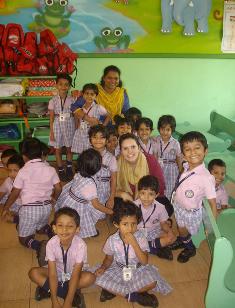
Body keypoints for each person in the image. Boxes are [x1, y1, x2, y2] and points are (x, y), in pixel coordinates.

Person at [95, 198, 172, 307]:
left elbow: (145, 261)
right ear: (117, 224)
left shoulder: (140, 237)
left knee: (152, 282)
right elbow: (108, 259)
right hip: (119, 269)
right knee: (97, 277)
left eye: (133, 224)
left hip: (138, 269)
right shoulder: (112, 240)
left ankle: (118, 291)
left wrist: (134, 243)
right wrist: (103, 267)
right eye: (125, 224)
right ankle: (136, 296)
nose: (130, 228)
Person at [1, 138, 62, 254]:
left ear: (24, 156)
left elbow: (15, 193)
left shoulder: (23, 171)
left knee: (23, 239)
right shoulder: (50, 169)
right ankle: (53, 235)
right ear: (41, 154)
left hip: (30, 209)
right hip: (46, 207)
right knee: (40, 228)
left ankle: (39, 246)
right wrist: (54, 199)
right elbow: (59, 188)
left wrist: (6, 208)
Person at [28, 207, 95, 307]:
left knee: (90, 278)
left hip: (73, 274)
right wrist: (54, 301)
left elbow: (76, 275)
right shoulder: (51, 244)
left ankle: (51, 290)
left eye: (70, 226)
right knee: (33, 273)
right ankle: (69, 293)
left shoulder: (81, 246)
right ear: (54, 228)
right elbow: (52, 274)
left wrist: (67, 302)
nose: (64, 230)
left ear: (77, 229)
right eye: (60, 225)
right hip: (57, 272)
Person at [171, 131, 217, 263]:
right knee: (180, 228)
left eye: (197, 148)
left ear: (205, 151)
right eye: (188, 149)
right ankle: (183, 241)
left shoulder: (206, 178)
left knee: (183, 230)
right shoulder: (186, 166)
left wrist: (211, 227)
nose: (193, 153)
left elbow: (213, 204)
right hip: (179, 207)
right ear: (184, 154)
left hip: (190, 213)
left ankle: (190, 248)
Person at [55, 148, 113, 238]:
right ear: (96, 167)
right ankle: (82, 232)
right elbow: (96, 205)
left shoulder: (80, 172)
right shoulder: (90, 185)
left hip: (70, 199)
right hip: (78, 205)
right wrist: (110, 212)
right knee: (81, 219)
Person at [135, 175, 177, 261]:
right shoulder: (133, 206)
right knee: (127, 238)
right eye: (143, 193)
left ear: (156, 195)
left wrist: (169, 231)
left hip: (154, 232)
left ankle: (147, 247)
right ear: (139, 193)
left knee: (172, 238)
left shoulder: (160, 207)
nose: (146, 198)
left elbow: (163, 224)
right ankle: (155, 249)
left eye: (151, 194)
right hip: (137, 233)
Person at [48, 73, 75, 182]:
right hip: (57, 125)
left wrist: (77, 127)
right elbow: (51, 118)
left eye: (66, 84)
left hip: (69, 124)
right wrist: (51, 132)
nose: (63, 87)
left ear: (69, 86)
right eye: (61, 84)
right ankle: (60, 169)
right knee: (57, 149)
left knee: (69, 148)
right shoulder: (53, 100)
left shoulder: (73, 99)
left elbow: (76, 114)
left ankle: (68, 167)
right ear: (56, 85)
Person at [71, 83, 111, 155]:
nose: (89, 96)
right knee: (81, 154)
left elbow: (108, 115)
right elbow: (76, 118)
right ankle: (82, 166)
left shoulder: (98, 107)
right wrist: (76, 127)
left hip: (92, 135)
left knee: (91, 154)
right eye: (87, 93)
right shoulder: (80, 108)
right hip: (80, 134)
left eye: (92, 94)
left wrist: (103, 126)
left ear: (96, 96)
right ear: (83, 94)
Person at [88, 125, 117, 209]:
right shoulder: (87, 154)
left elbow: (114, 179)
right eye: (95, 137)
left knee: (100, 213)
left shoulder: (111, 158)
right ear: (90, 140)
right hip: (88, 189)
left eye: (101, 138)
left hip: (102, 192)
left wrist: (111, 198)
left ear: (106, 140)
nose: (98, 140)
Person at [154, 115, 182, 200]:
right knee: (160, 188)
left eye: (168, 130)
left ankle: (170, 205)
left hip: (172, 170)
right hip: (160, 168)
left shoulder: (175, 143)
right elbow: (155, 156)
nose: (165, 132)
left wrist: (181, 173)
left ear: (172, 130)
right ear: (159, 129)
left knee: (171, 189)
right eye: (162, 129)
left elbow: (178, 159)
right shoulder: (156, 140)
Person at [116, 133, 149, 201]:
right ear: (121, 151)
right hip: (126, 204)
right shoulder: (116, 164)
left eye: (133, 147)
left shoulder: (150, 160)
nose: (130, 151)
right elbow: (109, 190)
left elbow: (160, 189)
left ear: (139, 147)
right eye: (125, 148)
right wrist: (122, 194)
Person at [0, 154, 24, 222]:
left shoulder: (27, 182)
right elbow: (2, 193)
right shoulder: (8, 180)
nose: (12, 174)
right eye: (10, 170)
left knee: (28, 214)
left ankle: (15, 219)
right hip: (13, 203)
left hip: (25, 205)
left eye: (15, 170)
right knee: (5, 197)